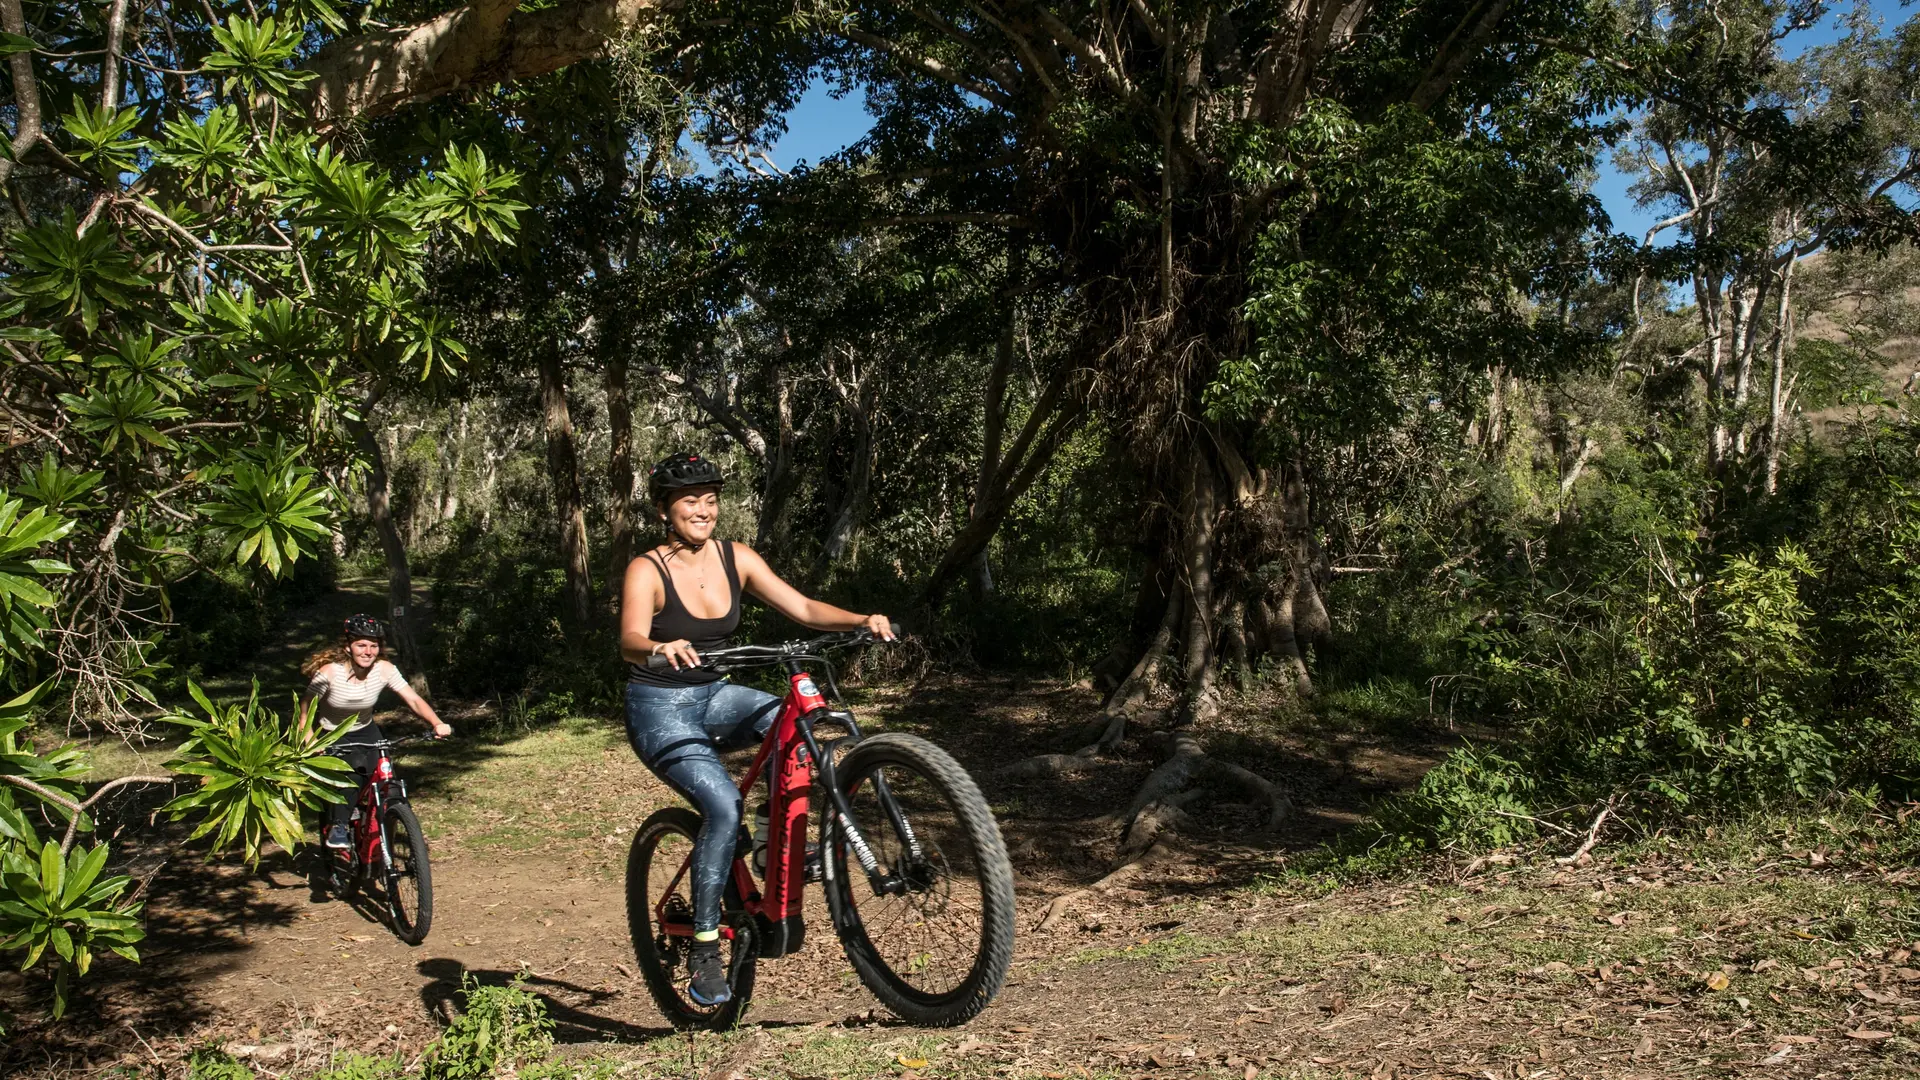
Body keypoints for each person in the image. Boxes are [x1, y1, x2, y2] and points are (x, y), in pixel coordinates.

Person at [621, 451, 892, 1006]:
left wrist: (861, 619)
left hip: (718, 694)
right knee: (722, 808)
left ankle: (771, 847)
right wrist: (659, 645)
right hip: (660, 707)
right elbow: (628, 639)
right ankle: (702, 947)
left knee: (793, 721)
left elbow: (803, 607)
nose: (703, 511)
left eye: (711, 501)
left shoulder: (734, 557)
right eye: (690, 501)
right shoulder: (647, 569)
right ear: (664, 510)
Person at [298, 614, 452, 850]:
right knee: (351, 777)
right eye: (361, 645)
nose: (368, 651)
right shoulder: (330, 672)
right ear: (348, 647)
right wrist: (310, 740)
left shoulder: (384, 669)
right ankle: (339, 825)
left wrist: (436, 722)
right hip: (333, 733)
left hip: (366, 729)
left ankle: (387, 827)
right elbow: (306, 709)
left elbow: (412, 699)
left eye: (373, 645)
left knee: (387, 779)